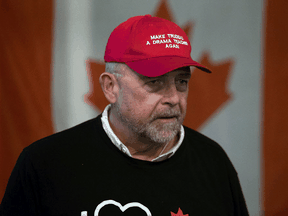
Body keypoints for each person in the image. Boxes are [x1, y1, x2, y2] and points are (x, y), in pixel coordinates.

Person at [0, 15, 249, 216]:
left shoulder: (213, 163)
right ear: (110, 87)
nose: (174, 98)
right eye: (155, 82)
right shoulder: (44, 164)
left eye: (181, 81)